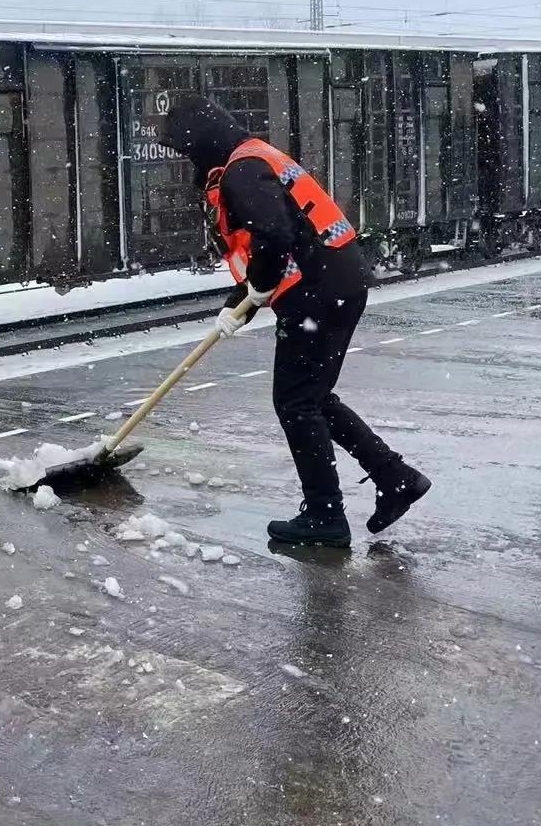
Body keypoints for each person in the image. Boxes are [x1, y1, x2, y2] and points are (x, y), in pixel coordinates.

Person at [157, 94, 430, 548]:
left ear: (202, 141)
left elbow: (275, 236)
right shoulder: (252, 158)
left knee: (296, 403)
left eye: (187, 149)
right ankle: (394, 476)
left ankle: (325, 515)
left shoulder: (242, 171)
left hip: (317, 294)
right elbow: (268, 243)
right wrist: (238, 303)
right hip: (336, 284)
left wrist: (259, 287)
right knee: (312, 398)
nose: (188, 160)